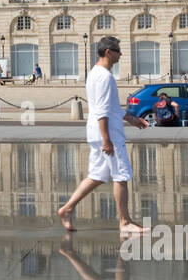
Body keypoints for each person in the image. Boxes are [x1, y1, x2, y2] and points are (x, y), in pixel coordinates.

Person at [57, 36, 148, 234]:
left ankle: (67, 208)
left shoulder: (96, 73)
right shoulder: (104, 77)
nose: (120, 55)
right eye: (117, 51)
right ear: (108, 52)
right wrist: (107, 139)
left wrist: (131, 119)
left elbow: (111, 107)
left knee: (97, 175)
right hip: (109, 134)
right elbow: (102, 111)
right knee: (121, 175)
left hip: (99, 131)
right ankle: (125, 222)